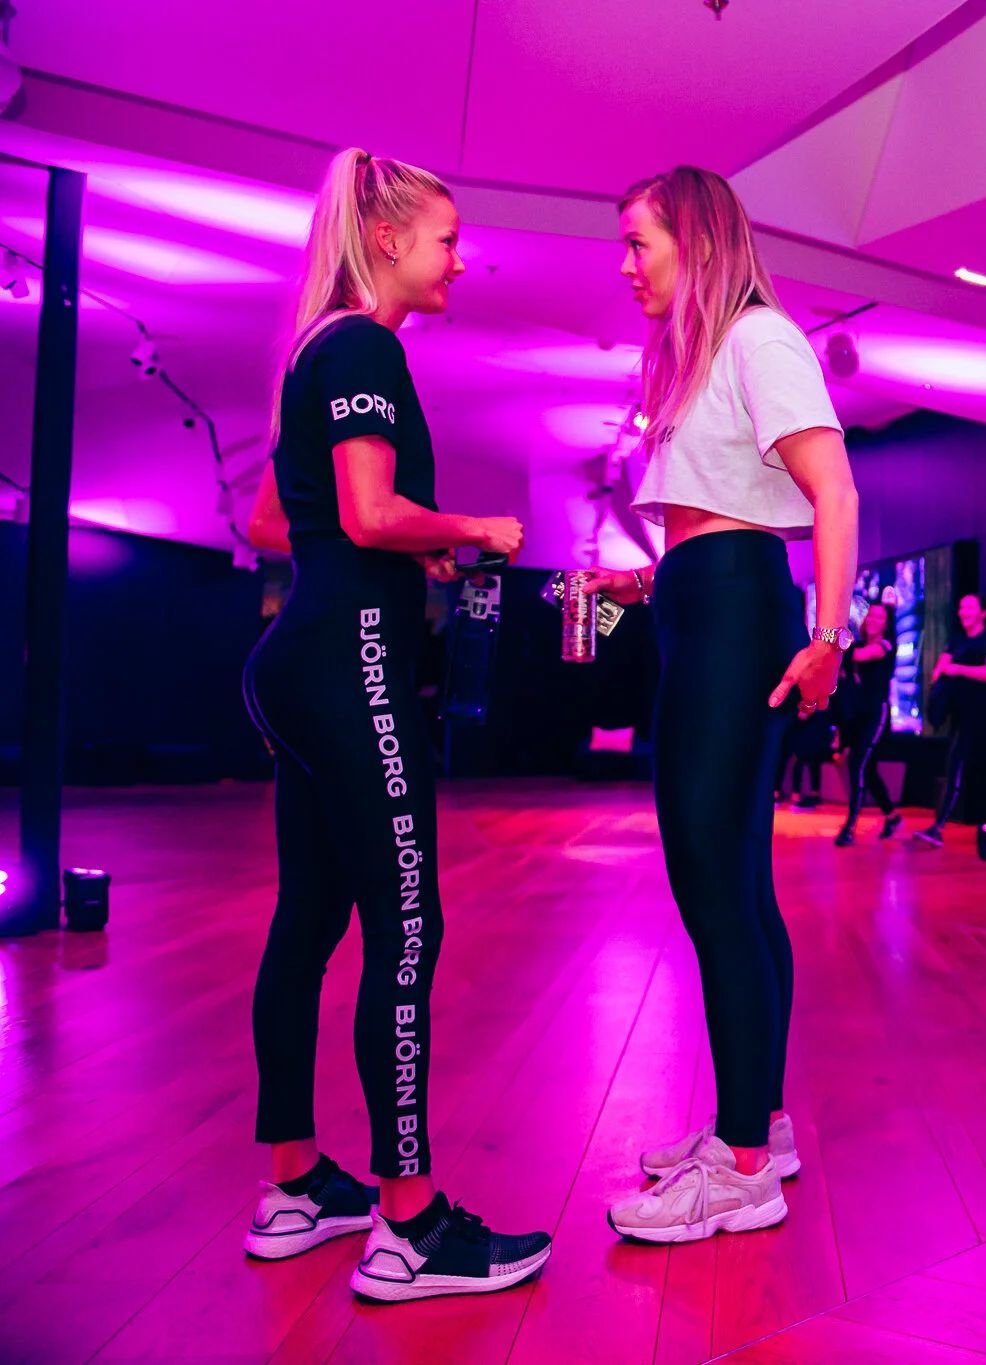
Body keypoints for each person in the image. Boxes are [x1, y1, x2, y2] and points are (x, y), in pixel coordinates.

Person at [241, 147, 550, 1301]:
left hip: (300, 660)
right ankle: (410, 1226)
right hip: (351, 663)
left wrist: (396, 546)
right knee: (406, 929)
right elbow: (369, 513)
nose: (459, 261)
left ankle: (295, 1186)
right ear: (386, 240)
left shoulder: (310, 349)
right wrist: (470, 527)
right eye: (446, 240)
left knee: (309, 920)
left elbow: (277, 521)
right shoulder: (366, 346)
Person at [581, 165, 858, 1242]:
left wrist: (829, 637)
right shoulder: (706, 357)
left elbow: (832, 490)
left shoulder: (759, 338)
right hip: (704, 600)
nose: (625, 264)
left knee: (712, 883)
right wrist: (647, 583)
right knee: (734, 885)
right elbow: (722, 516)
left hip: (739, 610)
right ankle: (761, 1128)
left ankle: (742, 1168)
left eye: (638, 242)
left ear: (693, 242)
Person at [913, 593, 986, 847]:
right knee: (957, 767)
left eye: (970, 607)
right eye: (962, 607)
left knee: (976, 770)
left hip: (985, 718)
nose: (963, 611)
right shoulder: (957, 641)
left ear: (983, 613)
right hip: (962, 716)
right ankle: (941, 827)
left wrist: (958, 670)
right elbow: (940, 671)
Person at [834, 601, 903, 846]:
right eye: (871, 615)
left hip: (877, 714)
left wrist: (834, 639)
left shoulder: (885, 646)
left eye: (879, 617)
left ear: (886, 625)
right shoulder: (859, 645)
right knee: (867, 769)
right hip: (861, 715)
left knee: (859, 766)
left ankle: (850, 827)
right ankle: (892, 817)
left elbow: (857, 656)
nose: (873, 620)